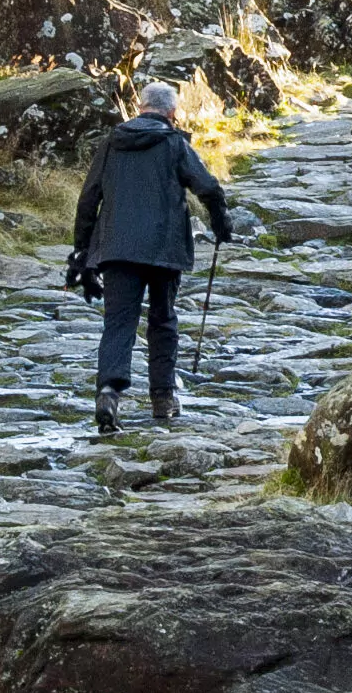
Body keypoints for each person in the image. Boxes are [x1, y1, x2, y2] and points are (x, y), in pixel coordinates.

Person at [67, 82, 231, 431]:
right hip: (164, 247)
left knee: (119, 322)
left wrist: (82, 248)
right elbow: (209, 188)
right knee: (163, 320)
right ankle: (163, 397)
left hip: (117, 248)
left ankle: (109, 393)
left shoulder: (112, 142)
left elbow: (88, 198)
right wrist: (220, 224)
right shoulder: (174, 144)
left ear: (139, 107)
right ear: (172, 113)